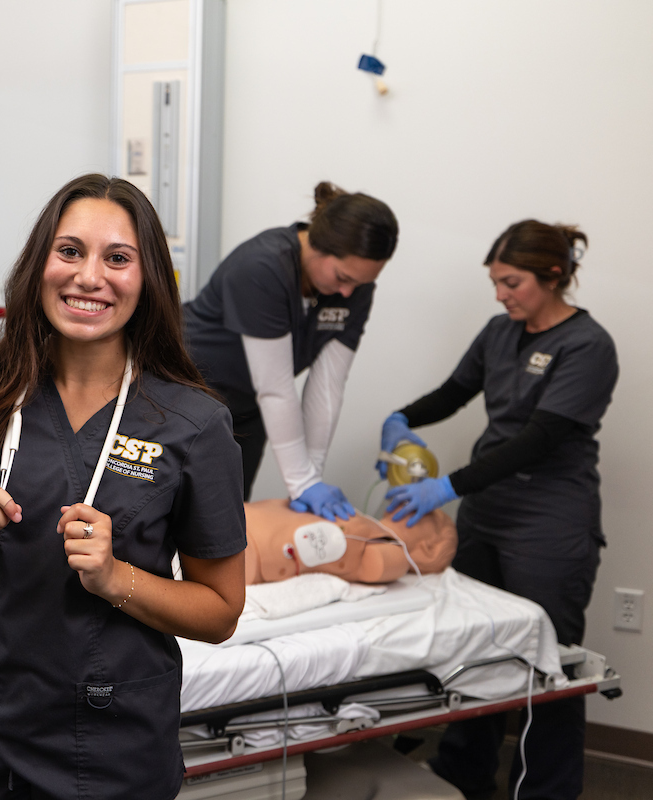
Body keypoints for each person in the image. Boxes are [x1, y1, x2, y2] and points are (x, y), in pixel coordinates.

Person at [0, 174, 247, 799]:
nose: (89, 277)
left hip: (108, 735)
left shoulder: (193, 423)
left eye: (117, 258)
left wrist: (114, 578)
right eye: (70, 251)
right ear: (39, 263)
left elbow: (221, 610)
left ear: (146, 282)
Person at [377, 219, 618, 800]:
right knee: (480, 650)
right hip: (489, 513)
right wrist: (401, 416)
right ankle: (463, 770)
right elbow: (455, 391)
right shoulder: (499, 331)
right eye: (495, 281)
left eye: (511, 282)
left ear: (553, 276)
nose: (500, 293)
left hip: (549, 521)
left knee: (549, 665)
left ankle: (547, 790)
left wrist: (446, 488)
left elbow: (538, 438)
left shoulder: (588, 346)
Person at [183, 182, 398, 519]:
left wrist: (310, 478)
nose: (348, 292)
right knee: (177, 518)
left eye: (360, 283)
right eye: (343, 277)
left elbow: (327, 385)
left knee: (227, 520)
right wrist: (300, 481)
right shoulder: (262, 268)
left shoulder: (354, 287)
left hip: (245, 408)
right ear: (318, 245)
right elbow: (276, 386)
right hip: (185, 396)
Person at [243, 499, 456, 584]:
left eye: (426, 514)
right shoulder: (355, 513)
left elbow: (381, 566)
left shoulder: (389, 550)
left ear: (427, 549)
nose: (411, 503)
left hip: (252, 553)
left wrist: (403, 558)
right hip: (242, 513)